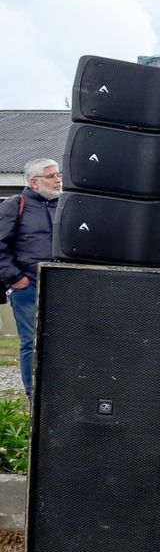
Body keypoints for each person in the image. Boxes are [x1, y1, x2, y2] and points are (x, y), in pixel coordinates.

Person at [0, 158, 61, 401]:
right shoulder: (16, 204)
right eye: (51, 176)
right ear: (34, 182)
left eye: (58, 174)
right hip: (28, 286)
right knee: (32, 343)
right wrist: (16, 278)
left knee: (63, 341)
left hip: (62, 286)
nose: (58, 180)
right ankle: (33, 395)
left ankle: (56, 394)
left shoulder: (65, 205)